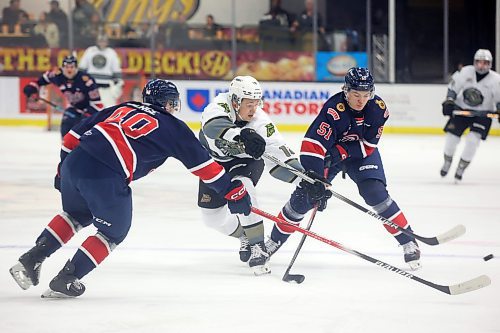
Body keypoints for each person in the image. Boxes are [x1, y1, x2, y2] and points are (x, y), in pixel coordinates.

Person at [9, 79, 252, 298]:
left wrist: (63, 169)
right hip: (106, 173)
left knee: (75, 215)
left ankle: (31, 259)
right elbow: (205, 167)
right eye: (172, 103)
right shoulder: (174, 127)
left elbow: (71, 138)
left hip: (75, 162)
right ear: (168, 104)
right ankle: (68, 277)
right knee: (113, 232)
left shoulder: (123, 107)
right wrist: (232, 191)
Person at [265, 67, 422, 271]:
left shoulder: (378, 109)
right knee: (305, 196)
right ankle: (273, 241)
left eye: (366, 95)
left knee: (374, 193)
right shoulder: (333, 110)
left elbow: (368, 146)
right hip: (330, 156)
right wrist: (317, 181)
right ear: (346, 91)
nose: (361, 100)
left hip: (359, 155)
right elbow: (311, 147)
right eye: (356, 94)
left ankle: (407, 239)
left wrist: (342, 151)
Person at [198, 75, 307, 275]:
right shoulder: (218, 106)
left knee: (243, 186)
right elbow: (212, 127)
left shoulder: (260, 120)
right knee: (212, 218)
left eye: (256, 104)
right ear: (235, 101)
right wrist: (241, 135)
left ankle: (258, 246)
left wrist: (306, 178)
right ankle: (245, 235)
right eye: (249, 104)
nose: (253, 109)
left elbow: (279, 152)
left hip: (245, 162)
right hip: (214, 164)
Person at [440, 49, 500, 182]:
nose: (481, 66)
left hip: (483, 115)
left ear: (490, 64)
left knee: (472, 141)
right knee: (451, 139)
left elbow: (499, 100)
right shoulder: (466, 71)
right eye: (479, 62)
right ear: (474, 62)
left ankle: (461, 166)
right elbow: (453, 88)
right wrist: (449, 101)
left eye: (485, 63)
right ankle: (447, 161)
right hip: (462, 110)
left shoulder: (496, 80)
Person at [23, 55, 103, 138]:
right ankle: (66, 148)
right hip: (74, 109)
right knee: (66, 124)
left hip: (91, 112)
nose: (69, 70)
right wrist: (32, 87)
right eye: (66, 67)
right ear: (62, 67)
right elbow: (40, 81)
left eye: (72, 67)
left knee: (86, 135)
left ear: (76, 68)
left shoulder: (86, 80)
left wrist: (87, 116)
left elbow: (98, 104)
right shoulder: (57, 75)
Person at [79, 34, 123, 108]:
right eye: (100, 41)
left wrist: (117, 87)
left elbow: (117, 72)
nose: (102, 43)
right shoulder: (90, 51)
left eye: (104, 41)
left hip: (107, 89)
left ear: (107, 42)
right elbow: (82, 68)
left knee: (108, 111)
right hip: (91, 88)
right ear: (97, 41)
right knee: (90, 111)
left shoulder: (111, 53)